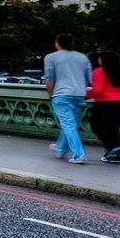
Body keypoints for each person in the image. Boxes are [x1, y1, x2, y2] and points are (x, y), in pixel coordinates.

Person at [44, 33, 92, 164]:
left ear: (57, 44)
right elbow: (89, 79)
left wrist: (50, 95)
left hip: (61, 95)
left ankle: (79, 155)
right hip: (79, 95)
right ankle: (61, 148)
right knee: (71, 124)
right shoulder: (83, 57)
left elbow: (49, 79)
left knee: (69, 125)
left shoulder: (51, 57)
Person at [87, 50, 120, 163]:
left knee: (97, 126)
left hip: (104, 103)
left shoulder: (98, 71)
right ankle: (114, 155)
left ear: (104, 60)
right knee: (113, 128)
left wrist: (85, 96)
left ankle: (112, 147)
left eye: (100, 58)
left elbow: (98, 90)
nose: (98, 60)